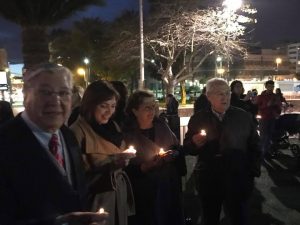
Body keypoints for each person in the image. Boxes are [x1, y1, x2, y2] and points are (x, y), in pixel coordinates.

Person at [0, 63, 108, 225]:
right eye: (45, 92)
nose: (55, 100)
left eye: (64, 93)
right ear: (25, 94)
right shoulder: (5, 142)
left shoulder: (68, 135)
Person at [183, 78, 261, 225]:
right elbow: (187, 147)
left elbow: (255, 146)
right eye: (219, 94)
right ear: (208, 97)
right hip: (209, 179)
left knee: (239, 218)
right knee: (210, 217)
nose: (225, 97)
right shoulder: (198, 118)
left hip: (237, 178)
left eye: (227, 93)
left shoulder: (243, 116)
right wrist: (194, 143)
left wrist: (252, 172)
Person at [70, 80, 135, 225]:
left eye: (112, 106)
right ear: (90, 104)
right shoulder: (77, 130)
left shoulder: (113, 126)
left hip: (118, 194)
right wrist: (111, 161)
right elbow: (74, 170)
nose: (109, 112)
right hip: (96, 198)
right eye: (103, 106)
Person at [123, 90, 186, 225]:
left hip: (167, 188)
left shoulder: (162, 126)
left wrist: (174, 154)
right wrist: (143, 167)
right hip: (143, 192)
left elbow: (177, 148)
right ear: (134, 111)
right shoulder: (127, 134)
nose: (152, 111)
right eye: (147, 108)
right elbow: (123, 167)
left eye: (153, 106)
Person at [256, 80, 282, 157]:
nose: (271, 88)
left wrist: (277, 108)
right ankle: (260, 152)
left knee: (270, 136)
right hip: (264, 118)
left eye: (272, 86)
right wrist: (267, 105)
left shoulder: (275, 96)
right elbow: (257, 108)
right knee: (263, 136)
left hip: (272, 118)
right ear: (266, 86)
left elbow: (279, 107)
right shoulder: (261, 96)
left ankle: (266, 152)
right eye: (269, 86)